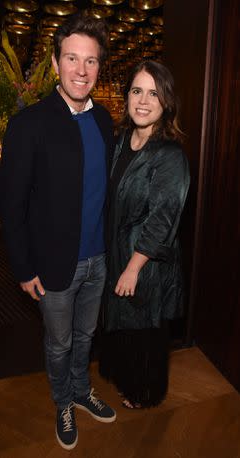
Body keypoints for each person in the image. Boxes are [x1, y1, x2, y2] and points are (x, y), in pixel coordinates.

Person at [0, 12, 116, 451]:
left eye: (90, 61)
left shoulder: (105, 122)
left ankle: (82, 391)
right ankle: (62, 401)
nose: (81, 70)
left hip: (98, 259)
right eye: (72, 58)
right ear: (55, 64)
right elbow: (12, 206)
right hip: (52, 264)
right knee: (59, 341)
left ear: (99, 67)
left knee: (86, 337)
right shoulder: (28, 125)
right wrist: (24, 268)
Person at [99, 60, 190, 409]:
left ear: (166, 103)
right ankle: (127, 381)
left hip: (146, 262)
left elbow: (163, 220)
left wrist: (134, 267)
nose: (143, 100)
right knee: (123, 327)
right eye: (137, 90)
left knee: (144, 331)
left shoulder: (170, 154)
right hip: (117, 252)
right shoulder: (121, 142)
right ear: (126, 97)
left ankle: (145, 393)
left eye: (154, 93)